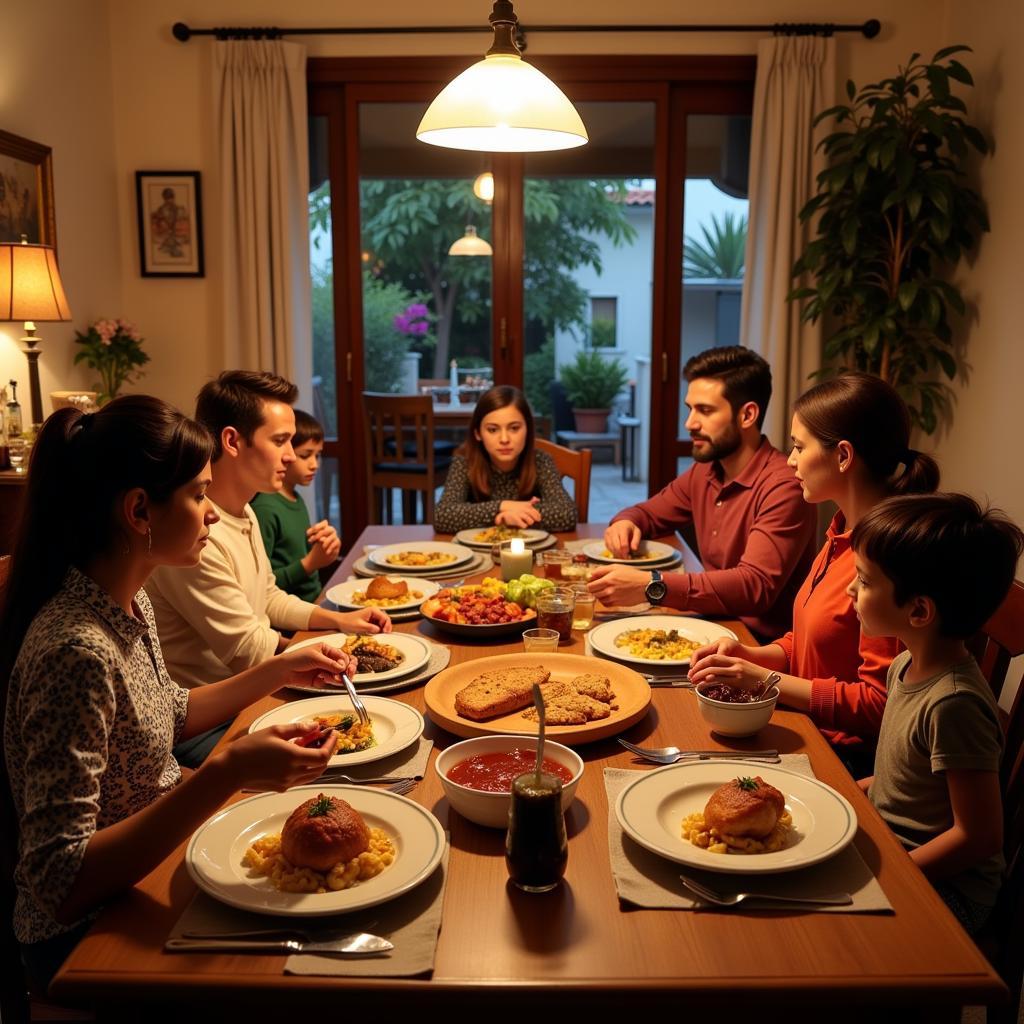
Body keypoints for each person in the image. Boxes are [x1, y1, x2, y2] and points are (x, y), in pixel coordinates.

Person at [0, 397, 357, 991]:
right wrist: (225, 772)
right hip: (91, 937)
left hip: (155, 865)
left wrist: (280, 670)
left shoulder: (126, 600)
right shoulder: (76, 651)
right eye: (197, 495)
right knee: (321, 976)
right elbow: (58, 882)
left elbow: (167, 712)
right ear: (140, 510)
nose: (212, 515)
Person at [689, 371, 941, 773]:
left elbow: (879, 705)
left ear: (842, 456)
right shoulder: (841, 529)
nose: (789, 460)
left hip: (844, 758)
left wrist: (761, 679)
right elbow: (810, 644)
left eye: (798, 446)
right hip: (805, 727)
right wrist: (751, 655)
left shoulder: (884, 560)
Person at [146, 371, 389, 765]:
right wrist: (327, 652)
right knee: (357, 751)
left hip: (254, 695)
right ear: (232, 441)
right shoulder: (195, 536)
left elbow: (268, 596)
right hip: (214, 723)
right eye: (280, 441)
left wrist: (342, 622)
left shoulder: (245, 511)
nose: (291, 455)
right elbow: (248, 650)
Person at [848, 493, 1022, 933]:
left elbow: (979, 837)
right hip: (893, 845)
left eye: (865, 581)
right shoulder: (905, 664)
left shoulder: (954, 703)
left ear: (919, 610)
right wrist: (850, 792)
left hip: (950, 891)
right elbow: (901, 782)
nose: (851, 589)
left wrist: (892, 877)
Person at [588, 346, 817, 640]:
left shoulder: (784, 485)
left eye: (705, 410)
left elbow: (754, 587)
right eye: (690, 408)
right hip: (710, 627)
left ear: (747, 415)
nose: (690, 423)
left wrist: (653, 584)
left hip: (759, 649)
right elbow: (648, 513)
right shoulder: (707, 471)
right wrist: (626, 522)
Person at [434, 385, 577, 533]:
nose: (504, 439)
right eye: (493, 430)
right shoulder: (464, 462)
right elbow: (442, 516)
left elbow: (567, 513)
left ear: (527, 429)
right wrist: (501, 507)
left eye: (514, 428)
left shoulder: (540, 460)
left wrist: (510, 516)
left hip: (530, 550)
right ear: (478, 433)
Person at [251, 409, 339, 602]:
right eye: (306, 455)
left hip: (314, 601)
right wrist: (310, 563)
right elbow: (260, 585)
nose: (314, 464)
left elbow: (296, 553)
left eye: (318, 455)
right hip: (290, 615)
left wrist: (326, 547)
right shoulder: (265, 508)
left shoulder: (295, 498)